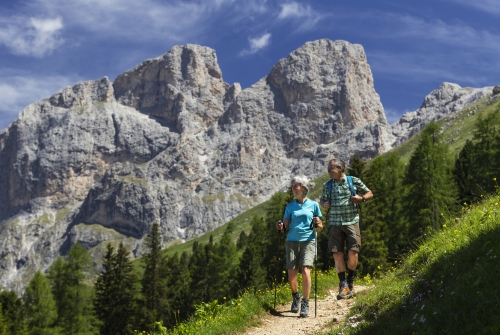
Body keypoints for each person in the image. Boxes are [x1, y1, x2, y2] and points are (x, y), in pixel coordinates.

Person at [320, 158, 373, 300]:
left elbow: (369, 193)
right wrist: (324, 203)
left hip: (352, 222)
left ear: (340, 168)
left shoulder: (352, 180)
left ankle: (350, 279)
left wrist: (361, 199)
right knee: (337, 255)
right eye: (328, 167)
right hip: (335, 224)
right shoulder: (327, 185)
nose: (329, 170)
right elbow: (322, 199)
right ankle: (343, 284)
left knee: (353, 253)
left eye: (331, 167)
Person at [276, 175, 323, 317]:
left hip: (309, 240)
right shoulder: (290, 207)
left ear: (303, 187)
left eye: (296, 186)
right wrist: (280, 226)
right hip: (292, 240)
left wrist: (318, 224)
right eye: (293, 186)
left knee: (305, 270)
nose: (293, 189)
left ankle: (305, 302)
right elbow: (285, 225)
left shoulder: (314, 205)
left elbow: (320, 227)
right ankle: (296, 295)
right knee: (291, 274)